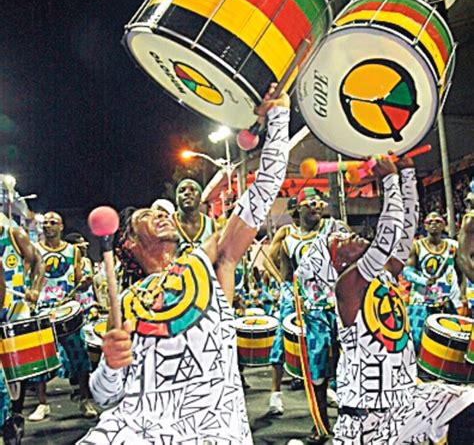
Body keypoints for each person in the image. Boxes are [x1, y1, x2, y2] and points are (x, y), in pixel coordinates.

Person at [79, 84, 290, 443]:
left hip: (212, 429)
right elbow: (105, 395)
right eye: (147, 215)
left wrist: (280, 118)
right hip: (140, 428)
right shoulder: (127, 304)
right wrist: (110, 366)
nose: (161, 215)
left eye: (163, 212)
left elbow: (262, 193)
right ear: (129, 243)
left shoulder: (211, 264)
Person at [330, 156, 473, 444]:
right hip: (368, 415)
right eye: (340, 240)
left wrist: (408, 176)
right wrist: (390, 180)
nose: (350, 236)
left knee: (466, 406)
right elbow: (388, 234)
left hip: (407, 398)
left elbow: (405, 231)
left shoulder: (383, 273)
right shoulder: (348, 285)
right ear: (338, 260)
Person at [269, 188, 349, 422]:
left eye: (319, 202)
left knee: (347, 359)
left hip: (339, 307)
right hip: (310, 311)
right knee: (316, 365)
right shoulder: (288, 240)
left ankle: (352, 411)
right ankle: (320, 421)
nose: (316, 206)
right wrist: (293, 302)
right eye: (310, 202)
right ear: (298, 208)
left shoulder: (335, 228)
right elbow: (286, 279)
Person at [29, 212, 98, 421]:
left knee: (79, 353)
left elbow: (78, 278)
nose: (48, 226)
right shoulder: (35, 250)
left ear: (61, 226)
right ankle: (42, 404)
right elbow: (29, 275)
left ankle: (85, 399)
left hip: (67, 308)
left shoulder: (73, 251)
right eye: (45, 223)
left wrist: (84, 282)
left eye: (53, 223)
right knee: (41, 357)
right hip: (43, 309)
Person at [0, 224, 45, 444]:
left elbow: (38, 261)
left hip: (15, 306)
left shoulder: (13, 235)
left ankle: (16, 415)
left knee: (17, 367)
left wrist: (35, 288)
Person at [402, 211, 462, 351]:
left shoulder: (453, 246)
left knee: (452, 338)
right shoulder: (417, 246)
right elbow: (407, 271)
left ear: (444, 225)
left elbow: (462, 270)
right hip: (421, 300)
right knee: (417, 339)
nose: (434, 224)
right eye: (430, 222)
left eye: (437, 221)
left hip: (446, 300)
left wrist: (462, 292)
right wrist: (423, 280)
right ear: (425, 226)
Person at [173, 178, 218, 256]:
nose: (187, 193)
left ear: (200, 199)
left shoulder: (213, 226)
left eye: (193, 190)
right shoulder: (168, 224)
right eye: (182, 190)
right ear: (176, 199)